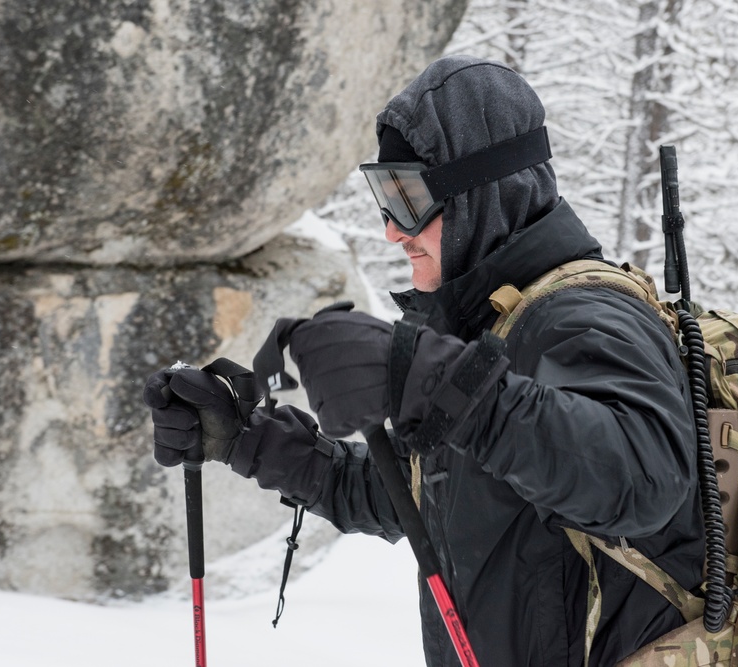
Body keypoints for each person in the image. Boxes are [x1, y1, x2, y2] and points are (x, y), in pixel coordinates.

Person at [144, 55, 705, 666]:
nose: (391, 230)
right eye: (383, 196)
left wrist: (431, 380)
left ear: (487, 191)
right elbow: (411, 497)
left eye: (407, 197)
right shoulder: (493, 330)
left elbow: (643, 479)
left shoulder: (586, 315)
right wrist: (245, 439)